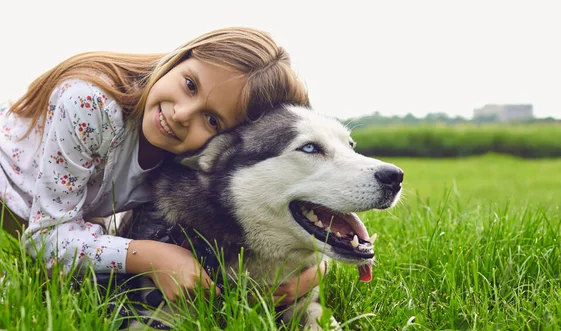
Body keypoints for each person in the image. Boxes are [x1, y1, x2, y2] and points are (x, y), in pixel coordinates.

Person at [0, 27, 326, 304]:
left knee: (95, 279)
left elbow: (225, 247)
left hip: (64, 210)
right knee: (67, 287)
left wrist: (312, 273)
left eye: (212, 119)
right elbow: (46, 238)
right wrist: (154, 257)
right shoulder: (91, 103)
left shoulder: (187, 157)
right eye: (190, 85)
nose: (181, 114)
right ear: (180, 59)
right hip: (10, 195)